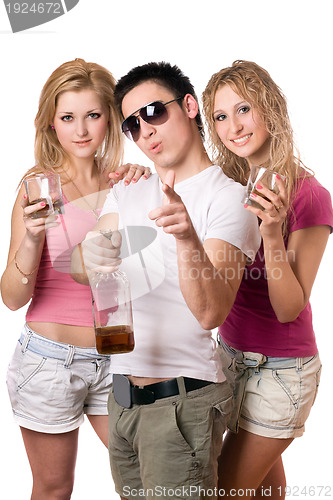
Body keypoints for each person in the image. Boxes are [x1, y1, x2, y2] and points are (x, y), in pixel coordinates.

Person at [71, 61, 261, 500]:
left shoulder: (229, 198)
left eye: (155, 111)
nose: (146, 130)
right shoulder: (130, 189)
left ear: (189, 106)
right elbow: (82, 266)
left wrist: (186, 236)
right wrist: (93, 254)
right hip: (120, 400)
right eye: (133, 124)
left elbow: (211, 312)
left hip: (181, 403)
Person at [1, 58, 150, 500]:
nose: (81, 130)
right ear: (52, 123)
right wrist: (30, 236)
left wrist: (145, 185)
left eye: (92, 115)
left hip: (117, 356)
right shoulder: (38, 186)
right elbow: (11, 297)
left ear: (110, 116)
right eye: (68, 117)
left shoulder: (126, 183)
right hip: (50, 362)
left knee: (143, 481)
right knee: (54, 488)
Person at [202, 60, 333, 500]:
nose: (233, 126)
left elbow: (289, 307)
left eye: (243, 109)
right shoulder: (224, 184)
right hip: (230, 358)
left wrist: (272, 233)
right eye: (220, 116)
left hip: (281, 372)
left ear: (270, 108)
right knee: (263, 492)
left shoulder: (309, 196)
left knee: (220, 491)